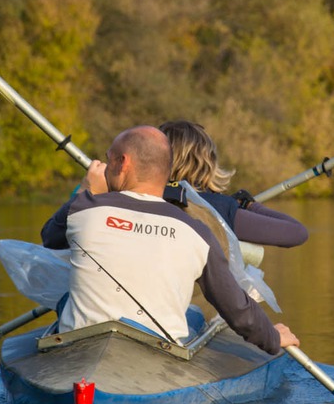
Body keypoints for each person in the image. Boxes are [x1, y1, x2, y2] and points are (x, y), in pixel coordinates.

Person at [40, 125, 299, 355]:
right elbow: (237, 309)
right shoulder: (198, 232)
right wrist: (272, 337)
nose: (105, 167)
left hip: (83, 342)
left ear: (123, 162)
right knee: (195, 315)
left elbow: (50, 237)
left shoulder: (84, 209)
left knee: (66, 300)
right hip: (159, 350)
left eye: (108, 159)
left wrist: (87, 190)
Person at [158, 120, 308, 248]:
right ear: (206, 161)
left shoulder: (141, 198)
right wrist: (250, 206)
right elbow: (297, 233)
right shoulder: (217, 208)